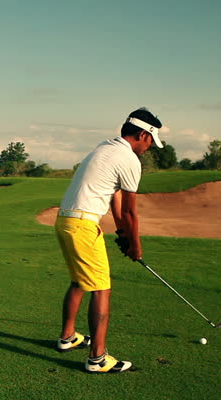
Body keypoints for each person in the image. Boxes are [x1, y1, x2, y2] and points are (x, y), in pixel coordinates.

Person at [54, 107, 164, 373]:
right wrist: (136, 247)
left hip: (65, 221)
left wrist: (123, 234)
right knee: (101, 288)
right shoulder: (129, 159)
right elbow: (129, 210)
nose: (149, 148)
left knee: (80, 281)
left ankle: (68, 337)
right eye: (150, 141)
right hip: (82, 226)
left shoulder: (105, 148)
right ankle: (98, 358)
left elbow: (114, 198)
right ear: (142, 134)